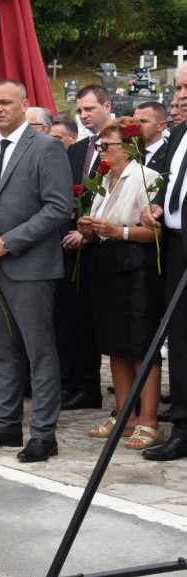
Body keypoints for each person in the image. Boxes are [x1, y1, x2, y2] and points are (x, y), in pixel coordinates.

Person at [0, 79, 73, 463]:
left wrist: (6, 242)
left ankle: (44, 434)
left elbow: (58, 208)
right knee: (2, 352)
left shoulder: (46, 147)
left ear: (25, 104)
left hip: (28, 266)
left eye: (5, 102)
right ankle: (6, 424)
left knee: (39, 352)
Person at [75, 117, 164, 449]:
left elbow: (156, 232)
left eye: (106, 145)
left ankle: (150, 421)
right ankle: (125, 415)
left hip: (136, 266)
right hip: (106, 263)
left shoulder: (145, 177)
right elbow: (102, 225)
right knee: (115, 344)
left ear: (127, 147)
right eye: (99, 145)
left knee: (141, 344)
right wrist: (88, 228)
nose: (101, 151)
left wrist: (118, 231)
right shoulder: (104, 180)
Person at [140, 63, 187, 461]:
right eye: (179, 87)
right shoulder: (181, 133)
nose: (181, 95)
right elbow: (173, 183)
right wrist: (157, 205)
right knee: (182, 337)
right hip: (175, 243)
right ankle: (184, 427)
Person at [58, 84, 112, 412]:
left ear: (107, 105)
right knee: (74, 319)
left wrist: (90, 230)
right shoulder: (77, 150)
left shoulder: (122, 145)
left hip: (104, 244)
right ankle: (81, 384)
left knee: (95, 321)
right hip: (73, 244)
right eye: (80, 111)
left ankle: (90, 383)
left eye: (90, 109)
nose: (84, 115)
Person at [134, 102, 168, 171]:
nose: (136, 125)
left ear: (161, 126)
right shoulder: (130, 152)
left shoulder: (170, 154)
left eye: (143, 121)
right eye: (133, 121)